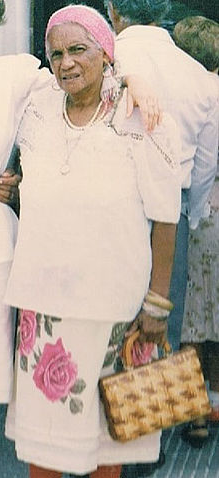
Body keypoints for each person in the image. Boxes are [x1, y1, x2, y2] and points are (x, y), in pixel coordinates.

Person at [3, 5, 181, 478]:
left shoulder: (141, 117)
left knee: (108, 429)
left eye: (79, 50)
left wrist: (158, 303)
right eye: (56, 52)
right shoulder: (35, 111)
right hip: (44, 305)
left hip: (116, 306)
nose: (65, 63)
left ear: (107, 54)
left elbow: (165, 220)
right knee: (43, 433)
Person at [104, 0, 219, 354]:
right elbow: (205, 166)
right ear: (163, 10)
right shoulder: (200, 76)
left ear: (112, 10)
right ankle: (153, 407)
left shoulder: (102, 58)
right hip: (175, 218)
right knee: (159, 342)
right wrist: (192, 213)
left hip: (107, 211)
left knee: (104, 334)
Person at [173, 16, 219, 445]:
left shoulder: (200, 91)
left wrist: (196, 210)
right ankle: (208, 401)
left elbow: (203, 168)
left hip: (202, 215)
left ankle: (195, 411)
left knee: (194, 318)